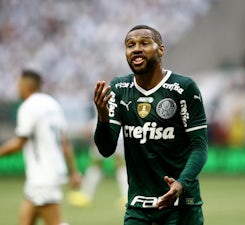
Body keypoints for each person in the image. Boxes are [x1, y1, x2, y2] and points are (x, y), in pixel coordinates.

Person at [93, 25, 208, 225]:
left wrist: (181, 184)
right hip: (139, 208)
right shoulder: (120, 89)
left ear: (161, 50)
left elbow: (199, 147)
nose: (136, 48)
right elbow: (106, 149)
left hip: (181, 206)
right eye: (130, 45)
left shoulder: (183, 88)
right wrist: (102, 118)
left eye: (144, 43)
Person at [0, 69, 81, 225]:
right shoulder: (53, 104)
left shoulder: (29, 106)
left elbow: (19, 142)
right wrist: (73, 172)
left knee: (55, 222)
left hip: (42, 176)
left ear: (27, 86)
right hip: (48, 173)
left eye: (18, 85)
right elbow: (65, 142)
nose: (17, 88)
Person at [68, 119, 128, 207]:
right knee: (99, 165)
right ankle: (86, 194)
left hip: (113, 132)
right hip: (107, 131)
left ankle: (126, 196)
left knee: (118, 164)